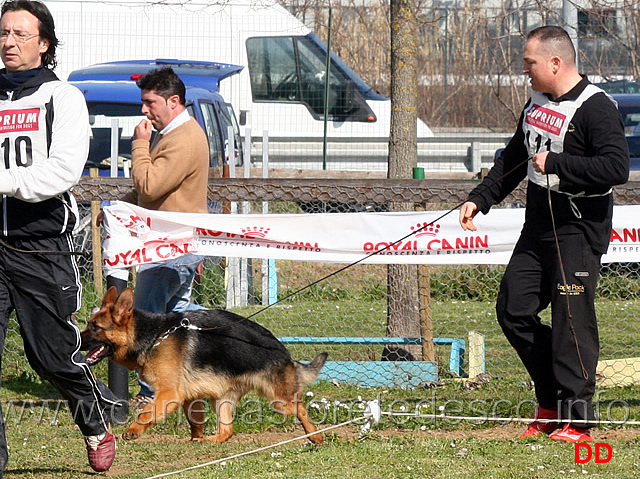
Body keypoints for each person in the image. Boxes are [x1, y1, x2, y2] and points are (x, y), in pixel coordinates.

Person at [459, 26, 629, 443]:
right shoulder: (535, 102)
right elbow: (515, 157)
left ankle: (579, 420)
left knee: (572, 322)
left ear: (555, 63)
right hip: (538, 226)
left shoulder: (596, 108)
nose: (524, 71)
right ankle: (551, 401)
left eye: (530, 63)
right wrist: (480, 198)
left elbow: (616, 169)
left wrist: (557, 162)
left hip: (578, 227)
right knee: (513, 310)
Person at [0, 0, 125, 474]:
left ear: (43, 43)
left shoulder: (63, 98)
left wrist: (4, 180)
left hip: (41, 244)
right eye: (3, 33)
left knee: (51, 355)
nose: (9, 42)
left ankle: (94, 420)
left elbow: (61, 172)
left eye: (20, 35)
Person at [121, 66, 209, 407]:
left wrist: (139, 145)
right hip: (174, 243)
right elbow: (154, 191)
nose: (144, 111)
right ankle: (226, 349)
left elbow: (150, 185)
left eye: (149, 102)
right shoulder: (174, 134)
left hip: (172, 246)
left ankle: (151, 393)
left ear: (173, 101)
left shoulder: (183, 138)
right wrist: (121, 208)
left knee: (147, 318)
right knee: (178, 316)